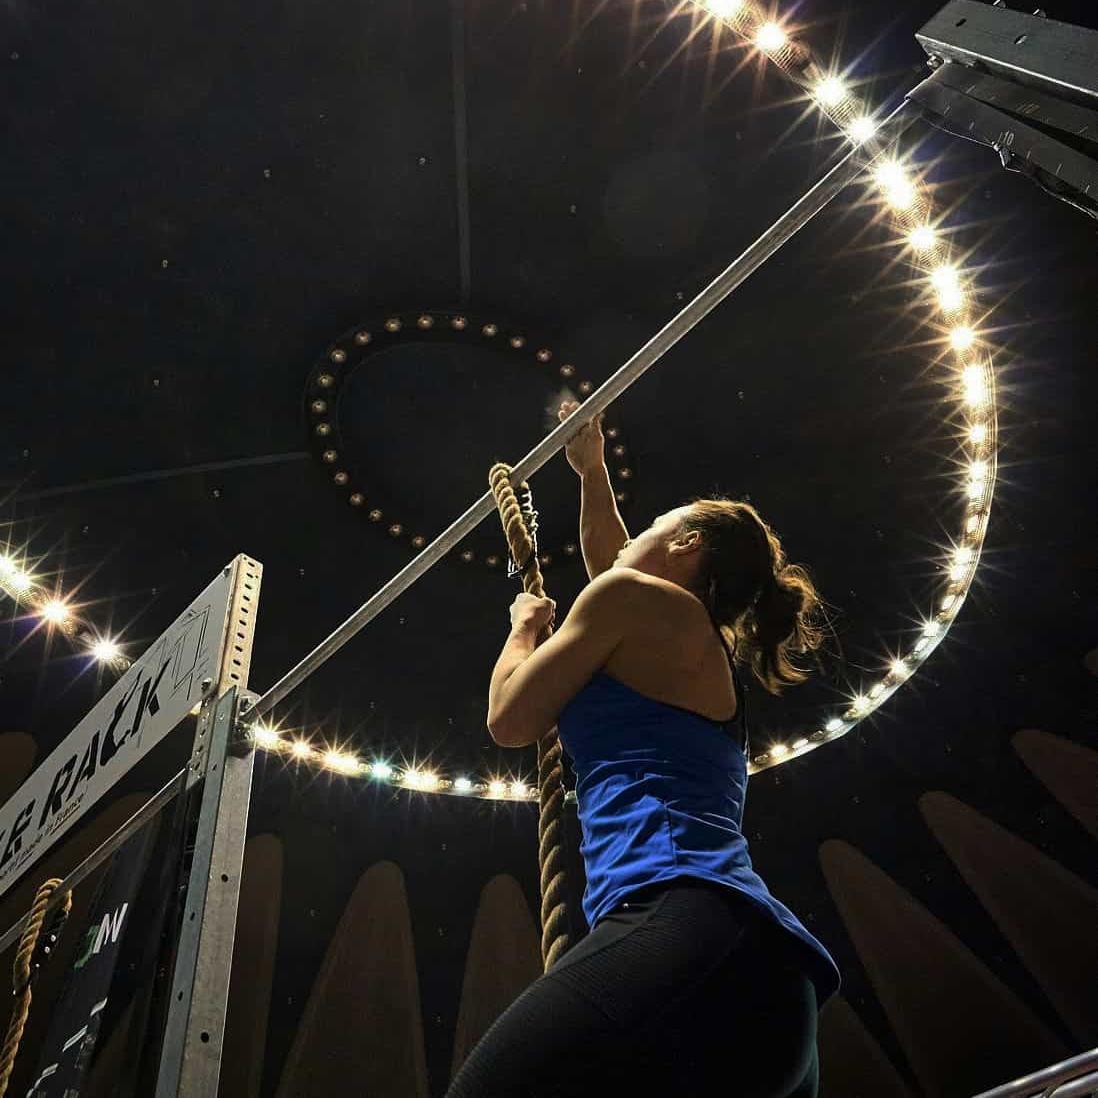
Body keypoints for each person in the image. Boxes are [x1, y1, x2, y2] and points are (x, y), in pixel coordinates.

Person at [445, 401, 840, 1098]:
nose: (634, 536)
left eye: (656, 524)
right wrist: (591, 471)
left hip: (686, 928)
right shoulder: (687, 646)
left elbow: (509, 719)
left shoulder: (636, 606)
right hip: (767, 987)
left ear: (685, 545)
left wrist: (523, 628)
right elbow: (612, 560)